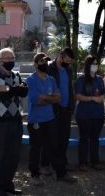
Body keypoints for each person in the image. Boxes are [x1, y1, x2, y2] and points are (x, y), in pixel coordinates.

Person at [26, 53, 76, 184]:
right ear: (36, 64)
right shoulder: (30, 80)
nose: (45, 64)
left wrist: (46, 98)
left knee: (55, 147)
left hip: (50, 118)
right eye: (42, 62)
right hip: (36, 120)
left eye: (46, 62)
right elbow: (36, 100)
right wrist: (50, 98)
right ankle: (35, 175)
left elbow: (58, 98)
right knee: (36, 148)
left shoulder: (51, 79)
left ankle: (61, 173)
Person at [0, 48, 28, 195]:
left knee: (14, 155)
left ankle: (8, 185)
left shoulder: (16, 75)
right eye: (7, 58)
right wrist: (13, 89)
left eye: (12, 57)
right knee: (0, 156)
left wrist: (8, 89)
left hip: (16, 120)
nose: (11, 60)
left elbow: (24, 91)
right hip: (0, 122)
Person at [43, 48, 75, 171]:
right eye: (67, 60)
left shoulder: (69, 69)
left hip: (66, 109)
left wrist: (71, 107)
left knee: (64, 138)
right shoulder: (49, 69)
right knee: (50, 138)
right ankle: (47, 164)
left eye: (70, 61)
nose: (68, 63)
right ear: (61, 57)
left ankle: (62, 162)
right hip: (53, 109)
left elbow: (70, 88)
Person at [74, 55, 105, 171]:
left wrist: (101, 97)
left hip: (98, 114)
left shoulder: (100, 79)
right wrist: (92, 98)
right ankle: (82, 162)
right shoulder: (81, 80)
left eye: (96, 64)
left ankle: (95, 161)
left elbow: (103, 94)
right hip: (84, 115)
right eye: (93, 64)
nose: (95, 66)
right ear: (88, 66)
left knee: (95, 138)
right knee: (84, 138)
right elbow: (77, 96)